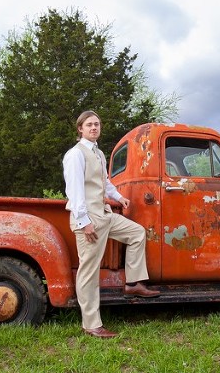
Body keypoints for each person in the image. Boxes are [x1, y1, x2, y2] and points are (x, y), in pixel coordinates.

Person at [63, 110, 159, 338]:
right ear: (80, 129)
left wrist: (119, 198)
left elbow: (105, 183)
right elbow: (74, 191)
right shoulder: (75, 155)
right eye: (89, 125)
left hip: (104, 214)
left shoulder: (98, 153)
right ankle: (91, 324)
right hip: (89, 219)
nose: (94, 128)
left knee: (136, 233)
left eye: (97, 124)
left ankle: (133, 282)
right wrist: (84, 222)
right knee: (89, 270)